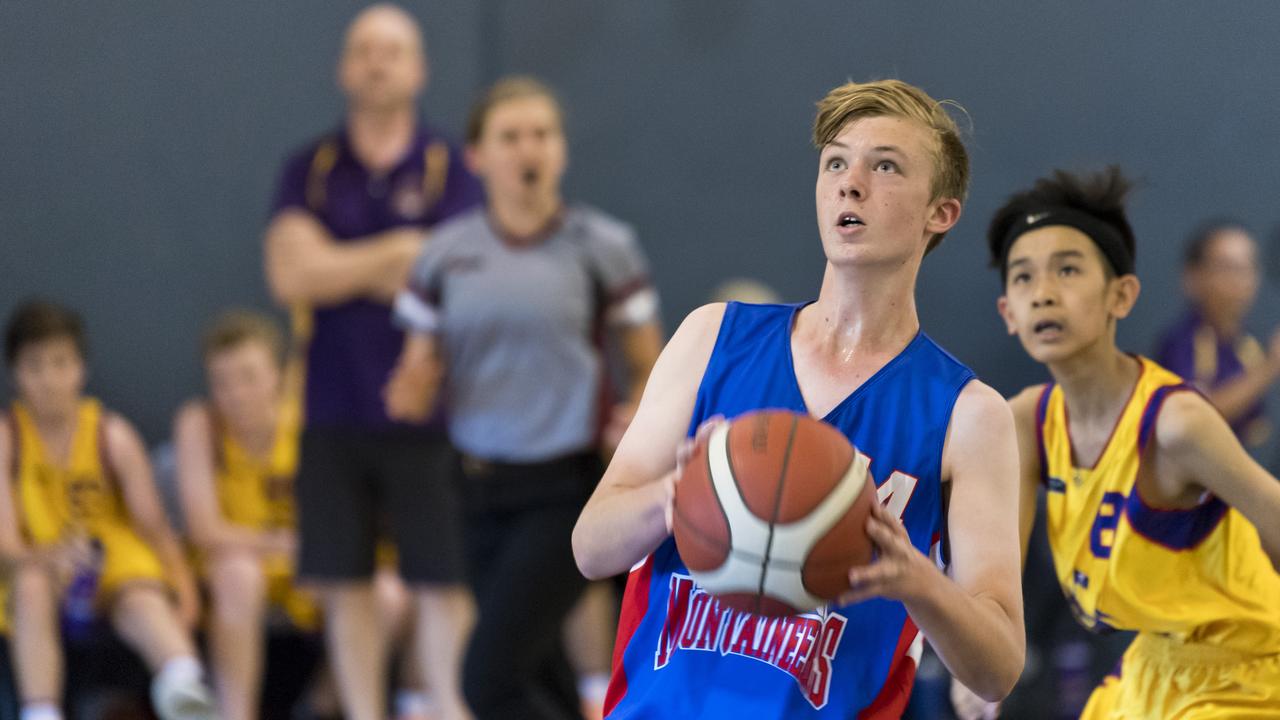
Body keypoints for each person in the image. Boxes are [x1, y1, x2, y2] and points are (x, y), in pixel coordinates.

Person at [571, 79, 1025, 717]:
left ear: (940, 213)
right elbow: (591, 548)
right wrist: (679, 495)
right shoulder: (712, 336)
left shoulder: (968, 414)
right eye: (835, 162)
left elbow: (999, 666)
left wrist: (917, 578)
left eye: (885, 166)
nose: (851, 183)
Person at [384, 76, 664, 720]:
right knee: (538, 670)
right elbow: (415, 370)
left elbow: (648, 362)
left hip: (566, 488)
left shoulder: (603, 247)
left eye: (541, 134)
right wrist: (412, 387)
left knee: (486, 679)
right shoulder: (445, 255)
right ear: (477, 157)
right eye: (509, 137)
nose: (527, 149)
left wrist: (637, 413)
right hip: (477, 489)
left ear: (560, 151)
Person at [984, 167, 1280, 717]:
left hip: (1250, 670)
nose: (1043, 293)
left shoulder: (1177, 423)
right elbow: (998, 579)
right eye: (1023, 278)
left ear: (1121, 295)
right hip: (1153, 665)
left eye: (1067, 270)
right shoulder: (1023, 420)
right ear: (1008, 313)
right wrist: (975, 674)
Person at [262, 5, 483, 720]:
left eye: (393, 51)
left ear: (418, 69)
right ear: (343, 68)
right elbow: (290, 276)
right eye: (364, 50)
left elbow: (464, 275)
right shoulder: (312, 169)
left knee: (442, 580)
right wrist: (393, 254)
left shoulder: (452, 165)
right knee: (343, 580)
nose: (378, 62)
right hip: (333, 406)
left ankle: (448, 705)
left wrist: (338, 262)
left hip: (434, 410)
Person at [0, 300, 218, 720]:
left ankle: (183, 684)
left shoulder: (111, 434)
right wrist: (52, 558)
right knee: (29, 585)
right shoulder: (8, 438)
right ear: (15, 374)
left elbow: (154, 529)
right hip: (38, 567)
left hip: (109, 566)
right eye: (35, 366)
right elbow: (7, 546)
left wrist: (185, 592)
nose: (49, 379)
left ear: (81, 368)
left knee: (140, 591)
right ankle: (41, 709)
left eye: (60, 363)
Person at [173, 311, 321, 720]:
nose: (235, 393)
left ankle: (326, 702)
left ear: (277, 374)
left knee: (383, 592)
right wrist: (282, 543)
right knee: (239, 573)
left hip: (307, 565)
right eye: (221, 381)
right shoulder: (199, 422)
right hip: (237, 565)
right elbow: (205, 530)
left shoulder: (310, 423)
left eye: (248, 377)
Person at [1154, 221, 1280, 452]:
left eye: (1247, 268)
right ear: (1193, 277)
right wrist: (1270, 368)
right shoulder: (1181, 342)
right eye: (1228, 267)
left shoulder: (1249, 346)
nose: (1240, 280)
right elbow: (1192, 420)